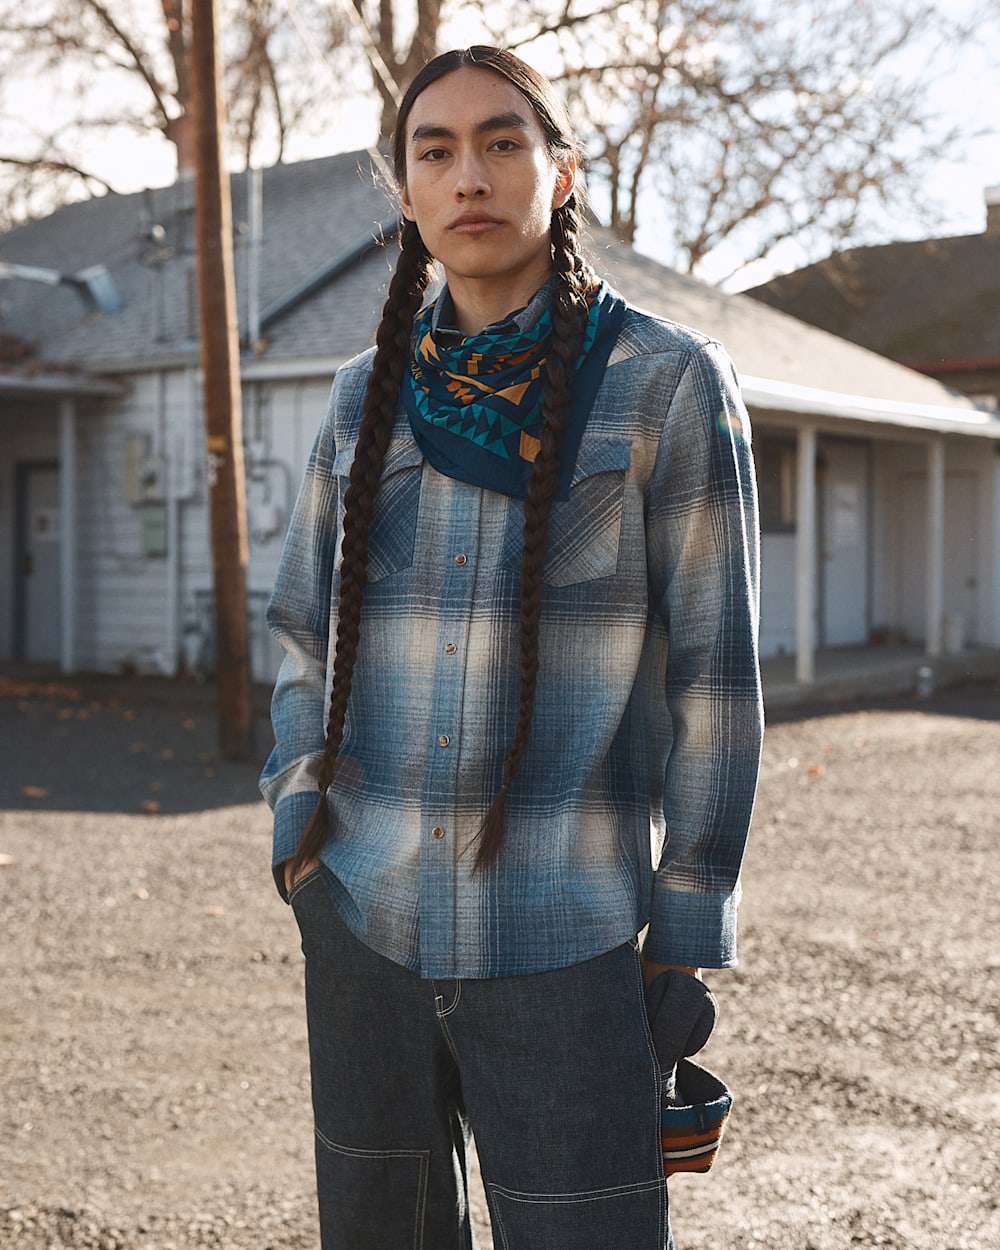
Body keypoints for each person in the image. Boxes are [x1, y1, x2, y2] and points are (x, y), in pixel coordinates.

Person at [260, 44, 763, 1250]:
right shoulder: (357, 396)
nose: (468, 175)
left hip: (566, 939)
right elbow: (296, 632)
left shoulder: (664, 386)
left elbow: (716, 683)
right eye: (434, 150)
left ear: (562, 172)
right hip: (362, 923)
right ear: (407, 188)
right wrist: (300, 841)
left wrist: (682, 931)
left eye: (502, 142)